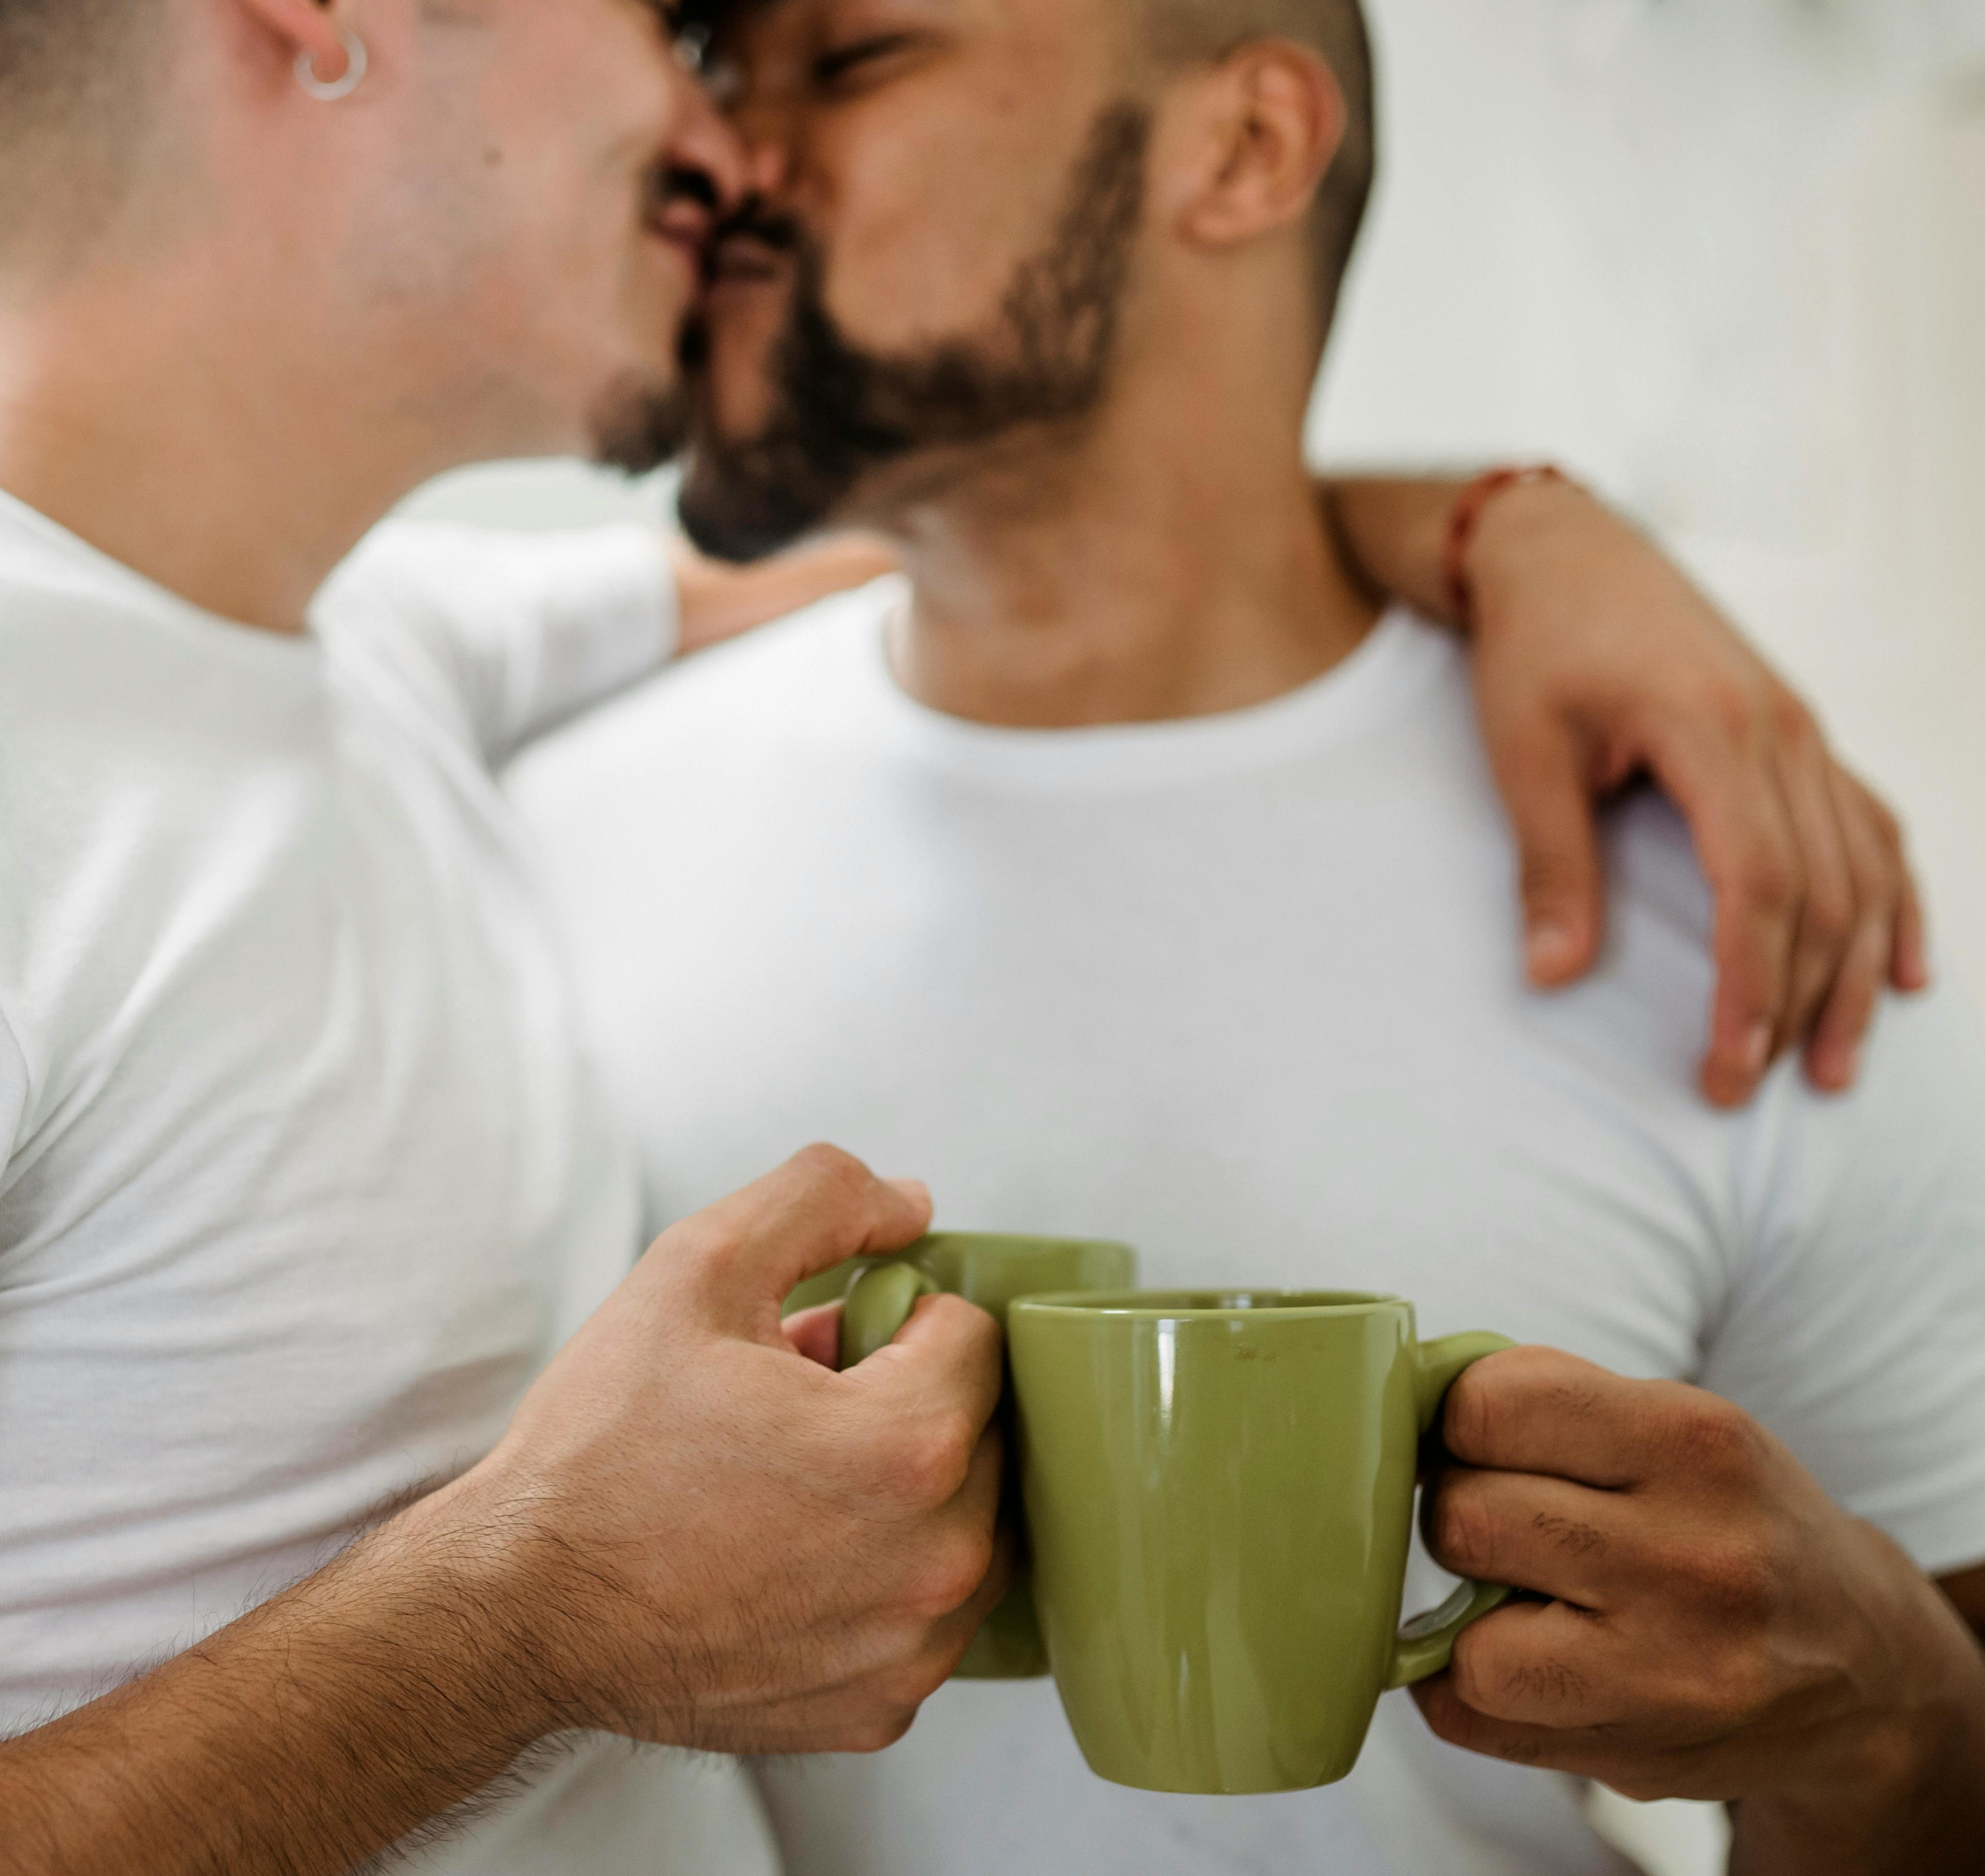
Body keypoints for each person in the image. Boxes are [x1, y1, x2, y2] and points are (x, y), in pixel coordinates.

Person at [0, 3, 1933, 1874]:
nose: (729, 137)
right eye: (672, 13)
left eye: (817, 49)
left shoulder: (361, 656)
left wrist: (1518, 521)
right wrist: (508, 1626)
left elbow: (1074, 532)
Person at [510, 2, 1985, 1872]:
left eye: (853, 58)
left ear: (1243, 150)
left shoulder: (1740, 895)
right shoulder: (516, 843)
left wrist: (1882, 1724)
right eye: (720, 71)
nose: (715, 151)